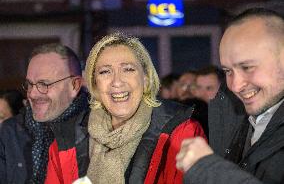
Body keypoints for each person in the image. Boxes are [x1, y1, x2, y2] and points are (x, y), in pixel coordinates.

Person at [176, 8, 284, 184]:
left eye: (247, 67)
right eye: (228, 71)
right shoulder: (230, 115)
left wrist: (209, 169)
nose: (235, 85)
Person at [82, 33, 206, 184]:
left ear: (146, 80)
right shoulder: (74, 135)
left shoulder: (182, 132)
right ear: (94, 84)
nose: (117, 82)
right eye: (105, 71)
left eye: (128, 69)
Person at [0, 43, 90, 184]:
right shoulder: (10, 132)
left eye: (44, 84)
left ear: (74, 85)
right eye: (29, 84)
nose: (33, 94)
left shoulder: (99, 132)